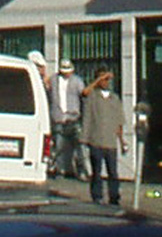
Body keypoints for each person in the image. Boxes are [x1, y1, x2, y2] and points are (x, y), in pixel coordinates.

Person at [81, 65, 127, 205]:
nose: (105, 82)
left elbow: (119, 122)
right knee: (97, 172)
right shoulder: (92, 97)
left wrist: (122, 141)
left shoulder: (115, 98)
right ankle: (97, 196)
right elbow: (84, 93)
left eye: (107, 79)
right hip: (96, 141)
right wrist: (85, 138)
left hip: (110, 142)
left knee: (113, 172)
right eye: (102, 79)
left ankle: (114, 197)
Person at [48, 58, 89, 180]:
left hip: (73, 118)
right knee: (58, 146)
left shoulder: (77, 81)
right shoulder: (53, 80)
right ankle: (60, 170)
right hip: (58, 117)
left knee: (80, 147)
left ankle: (82, 171)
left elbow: (84, 96)